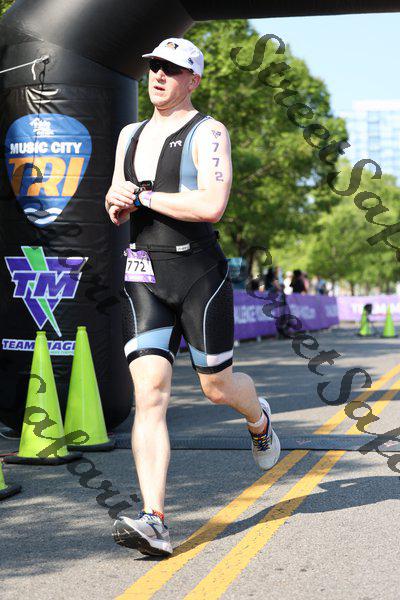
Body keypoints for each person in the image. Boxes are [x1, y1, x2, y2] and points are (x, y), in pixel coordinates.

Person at [104, 37, 281, 558]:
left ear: (193, 80)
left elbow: (211, 205)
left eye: (171, 69)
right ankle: (154, 519)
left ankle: (258, 418)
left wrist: (143, 195)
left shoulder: (209, 131)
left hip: (199, 273)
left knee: (216, 388)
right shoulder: (129, 134)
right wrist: (115, 201)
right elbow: (116, 202)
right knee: (150, 394)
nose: (158, 75)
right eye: (154, 67)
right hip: (143, 274)